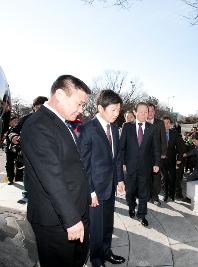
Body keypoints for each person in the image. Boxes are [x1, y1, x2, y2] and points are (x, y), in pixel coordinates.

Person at [20, 75, 91, 267]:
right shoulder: (38, 125)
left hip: (74, 211)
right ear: (60, 94)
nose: (81, 110)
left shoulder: (61, 122)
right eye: (79, 103)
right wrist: (72, 219)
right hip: (57, 221)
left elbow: (74, 165)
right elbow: (51, 177)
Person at [78, 90, 125, 267]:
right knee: (96, 229)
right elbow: (84, 165)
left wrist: (119, 179)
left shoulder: (113, 127)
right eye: (113, 110)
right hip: (95, 191)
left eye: (118, 110)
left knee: (108, 225)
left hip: (110, 186)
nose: (116, 114)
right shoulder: (87, 129)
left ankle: (106, 252)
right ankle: (96, 260)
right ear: (100, 108)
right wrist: (90, 192)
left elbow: (117, 156)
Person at [119, 102, 160, 227]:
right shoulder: (127, 127)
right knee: (130, 191)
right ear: (135, 112)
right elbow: (122, 148)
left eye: (146, 112)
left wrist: (157, 163)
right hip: (130, 167)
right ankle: (131, 206)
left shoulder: (152, 128)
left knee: (144, 192)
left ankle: (142, 215)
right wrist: (123, 163)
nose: (143, 114)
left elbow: (156, 148)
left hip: (145, 167)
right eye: (140, 112)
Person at [9, 96, 48, 204]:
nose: (41, 109)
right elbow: (13, 131)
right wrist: (13, 137)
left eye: (44, 106)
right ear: (34, 107)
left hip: (47, 153)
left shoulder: (52, 119)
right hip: (30, 152)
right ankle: (26, 194)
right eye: (38, 106)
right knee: (28, 174)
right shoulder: (27, 118)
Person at [147, 103, 167, 206]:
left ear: (155, 111)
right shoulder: (142, 122)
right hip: (145, 156)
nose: (150, 112)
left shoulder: (159, 123)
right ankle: (148, 196)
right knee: (146, 177)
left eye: (152, 110)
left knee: (156, 178)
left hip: (157, 155)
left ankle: (155, 197)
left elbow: (163, 139)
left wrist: (163, 152)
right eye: (148, 110)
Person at [161, 116, 184, 202]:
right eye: (164, 123)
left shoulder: (174, 133)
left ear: (170, 124)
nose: (166, 125)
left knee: (172, 178)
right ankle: (165, 195)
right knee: (164, 179)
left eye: (168, 123)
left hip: (172, 160)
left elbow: (180, 148)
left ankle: (172, 195)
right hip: (162, 160)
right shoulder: (158, 133)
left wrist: (179, 159)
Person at [4, 116, 22, 185]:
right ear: (10, 122)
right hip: (9, 150)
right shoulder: (8, 129)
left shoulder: (20, 128)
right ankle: (10, 179)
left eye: (15, 120)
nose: (14, 122)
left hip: (19, 149)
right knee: (9, 165)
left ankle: (19, 179)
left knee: (20, 164)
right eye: (12, 121)